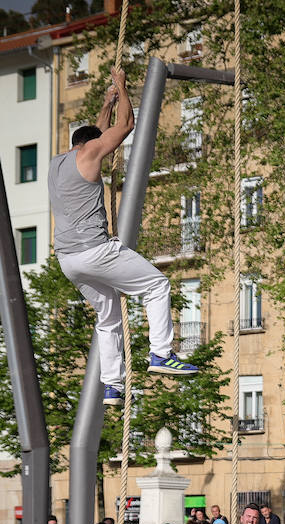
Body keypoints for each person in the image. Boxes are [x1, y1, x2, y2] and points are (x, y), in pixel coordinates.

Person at [49, 68, 198, 407]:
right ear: (91, 145)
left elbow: (98, 134)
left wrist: (107, 104)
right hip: (95, 251)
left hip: (68, 261)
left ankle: (112, 386)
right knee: (157, 285)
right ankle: (161, 353)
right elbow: (126, 125)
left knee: (108, 316)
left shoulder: (58, 163)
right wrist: (123, 87)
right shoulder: (89, 154)